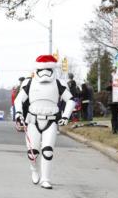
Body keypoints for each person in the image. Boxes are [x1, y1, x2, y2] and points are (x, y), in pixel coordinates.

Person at [14, 55, 75, 189]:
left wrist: (65, 116)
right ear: (37, 69)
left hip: (51, 120)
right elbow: (19, 99)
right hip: (33, 120)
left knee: (48, 150)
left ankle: (46, 179)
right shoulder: (29, 83)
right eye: (42, 69)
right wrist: (18, 113)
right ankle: (34, 169)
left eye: (48, 68)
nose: (45, 72)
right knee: (33, 152)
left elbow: (70, 100)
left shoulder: (59, 83)